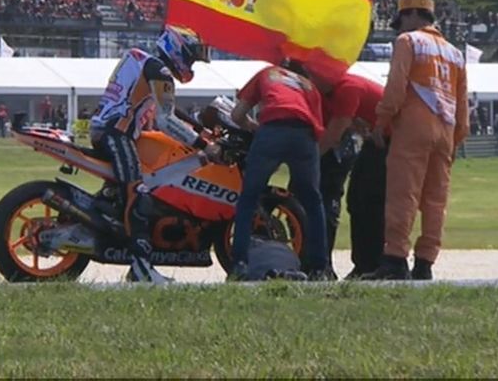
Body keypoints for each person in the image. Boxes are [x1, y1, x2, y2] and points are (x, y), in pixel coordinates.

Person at [89, 25, 219, 283]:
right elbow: (165, 120)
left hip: (108, 129)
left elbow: (163, 106)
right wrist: (203, 145)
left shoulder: (141, 59)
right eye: (191, 56)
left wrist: (199, 130)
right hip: (116, 133)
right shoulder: (159, 71)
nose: (191, 63)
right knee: (138, 195)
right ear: (177, 48)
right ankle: (141, 268)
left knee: (125, 192)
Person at [370, 0, 469, 281]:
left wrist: (382, 121)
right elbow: (462, 105)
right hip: (446, 130)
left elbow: (396, 86)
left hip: (413, 127)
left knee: (404, 194)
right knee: (436, 200)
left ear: (412, 15)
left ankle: (395, 258)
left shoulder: (408, 42)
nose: (400, 27)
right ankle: (425, 263)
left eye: (401, 21)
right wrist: (455, 139)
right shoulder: (455, 53)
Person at [228, 60, 330, 281]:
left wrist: (254, 127)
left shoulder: (267, 73)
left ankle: (239, 264)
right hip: (304, 134)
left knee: (249, 198)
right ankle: (320, 268)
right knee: (313, 202)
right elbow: (318, 127)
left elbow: (236, 115)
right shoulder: (308, 85)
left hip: (273, 130)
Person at [314, 72, 389, 279]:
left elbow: (334, 133)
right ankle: (364, 263)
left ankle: (372, 264)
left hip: (389, 141)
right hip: (375, 140)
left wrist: (312, 159)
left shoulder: (347, 88)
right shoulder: (341, 88)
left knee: (369, 200)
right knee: (357, 199)